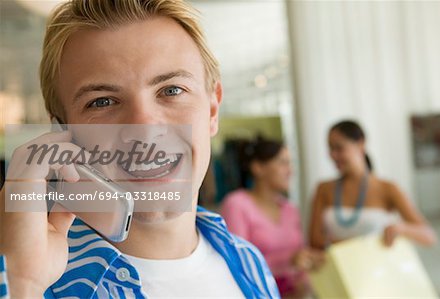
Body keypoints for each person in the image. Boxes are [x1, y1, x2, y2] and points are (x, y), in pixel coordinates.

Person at [0, 0, 280, 298]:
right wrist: (21, 284)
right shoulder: (34, 280)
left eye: (171, 90)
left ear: (212, 111)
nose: (144, 130)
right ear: (63, 133)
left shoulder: (249, 261)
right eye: (102, 101)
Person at [309, 120, 437, 249]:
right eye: (330, 149)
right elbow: (314, 242)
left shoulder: (387, 188)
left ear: (361, 144)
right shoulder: (323, 189)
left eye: (339, 148)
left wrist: (402, 229)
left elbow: (429, 236)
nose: (333, 155)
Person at [221, 137, 323, 298]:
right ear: (258, 168)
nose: (290, 170)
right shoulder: (236, 204)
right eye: (283, 163)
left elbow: (300, 262)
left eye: (290, 163)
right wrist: (288, 261)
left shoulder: (290, 209)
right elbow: (238, 263)